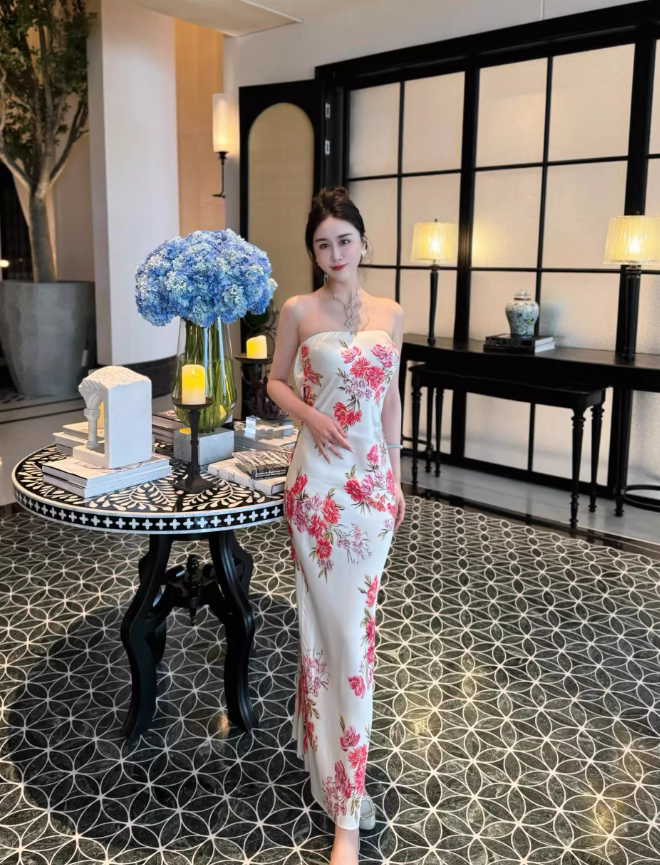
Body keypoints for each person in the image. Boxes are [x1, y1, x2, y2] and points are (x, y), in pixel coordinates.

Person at [266, 186, 406, 865]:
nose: (335, 253)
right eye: (322, 244)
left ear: (363, 242)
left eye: (344, 240)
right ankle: (346, 815)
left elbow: (390, 399)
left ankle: (327, 754)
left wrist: (398, 478)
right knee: (334, 634)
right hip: (317, 492)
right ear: (314, 253)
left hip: (371, 490)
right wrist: (312, 415)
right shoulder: (299, 309)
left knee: (352, 635)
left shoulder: (392, 313)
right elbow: (274, 382)